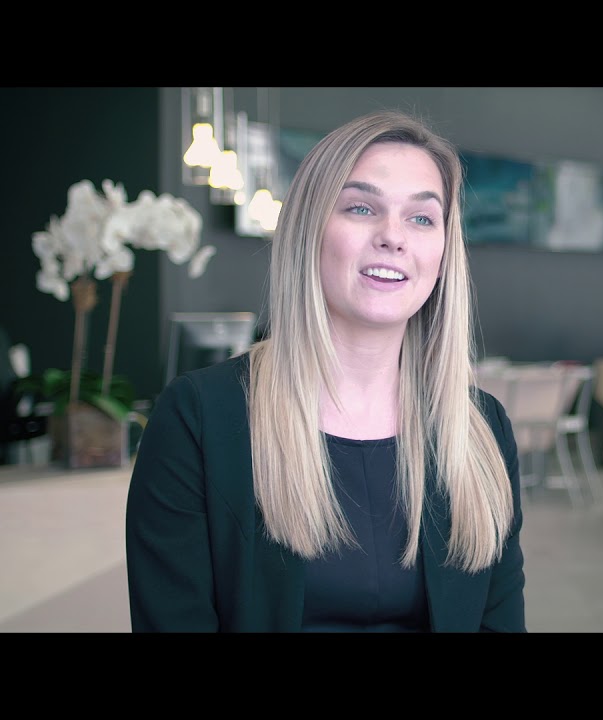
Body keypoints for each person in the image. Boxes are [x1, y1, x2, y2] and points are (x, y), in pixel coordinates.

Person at [125, 109, 526, 632]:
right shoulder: (200, 420)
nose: (393, 236)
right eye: (361, 208)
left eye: (422, 218)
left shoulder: (481, 430)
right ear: (308, 230)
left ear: (445, 253)